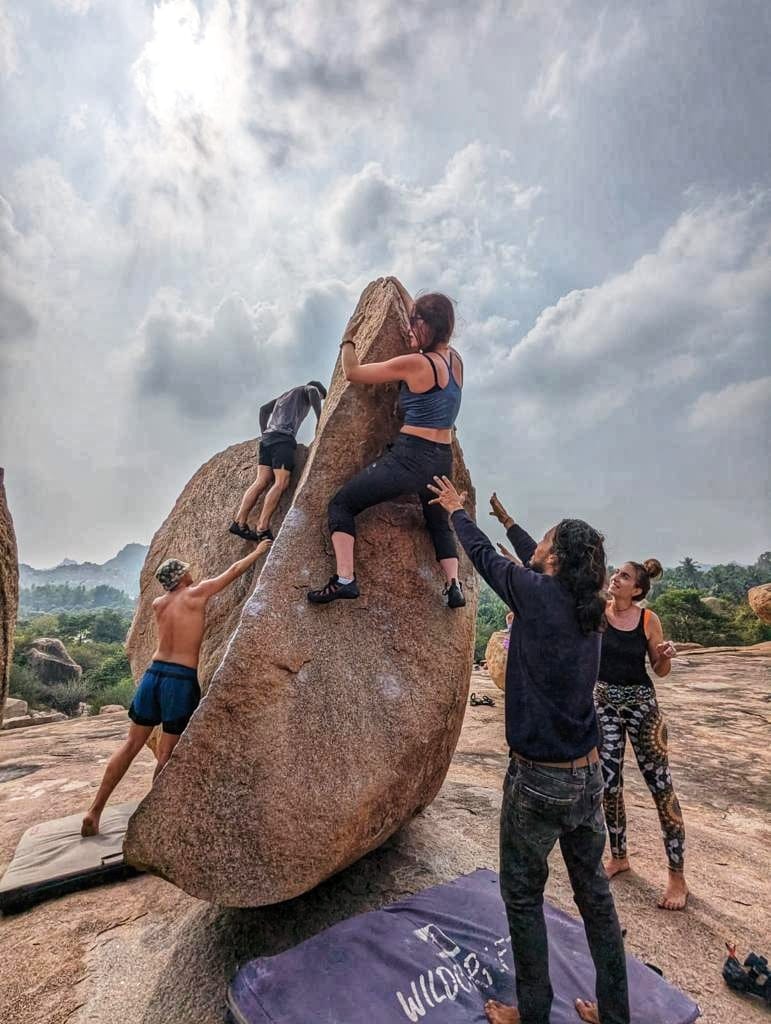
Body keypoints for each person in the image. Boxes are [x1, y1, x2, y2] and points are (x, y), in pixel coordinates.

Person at [427, 479, 629, 1024]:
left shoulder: (539, 597)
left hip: (538, 781)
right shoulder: (591, 607)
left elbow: (489, 563)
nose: (535, 544)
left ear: (556, 559)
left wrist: (458, 514)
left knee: (522, 898)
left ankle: (532, 1014)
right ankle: (614, 1014)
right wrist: (508, 520)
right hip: (588, 777)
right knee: (595, 900)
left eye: (543, 540)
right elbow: (527, 566)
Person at [81, 541, 270, 837]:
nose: (191, 574)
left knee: (130, 745)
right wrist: (259, 551)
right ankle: (155, 823)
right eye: (186, 571)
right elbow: (233, 571)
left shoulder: (159, 605)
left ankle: (94, 811)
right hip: (178, 680)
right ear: (181, 577)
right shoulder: (196, 594)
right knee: (166, 754)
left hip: (153, 676)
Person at [308, 279, 465, 608]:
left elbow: (353, 372)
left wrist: (348, 337)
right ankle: (453, 585)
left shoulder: (416, 364)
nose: (410, 328)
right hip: (441, 459)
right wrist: (399, 287)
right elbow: (423, 315)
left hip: (410, 459)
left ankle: (345, 579)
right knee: (437, 522)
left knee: (341, 505)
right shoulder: (456, 363)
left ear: (428, 326)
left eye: (414, 323)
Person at [596, 559, 688, 911]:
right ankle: (619, 858)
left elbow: (660, 671)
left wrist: (665, 657)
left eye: (623, 576)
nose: (615, 579)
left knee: (661, 787)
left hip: (642, 707)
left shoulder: (648, 620)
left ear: (637, 589)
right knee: (608, 784)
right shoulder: (599, 613)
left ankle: (677, 874)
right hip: (603, 704)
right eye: (616, 573)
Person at [229, 381, 327, 542]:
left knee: (261, 480)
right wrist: (320, 418)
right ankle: (262, 527)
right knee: (281, 482)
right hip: (283, 440)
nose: (315, 401)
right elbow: (313, 391)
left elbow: (263, 409)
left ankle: (239, 523)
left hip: (267, 439)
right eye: (321, 398)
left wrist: (264, 432)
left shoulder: (283, 397)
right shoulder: (307, 390)